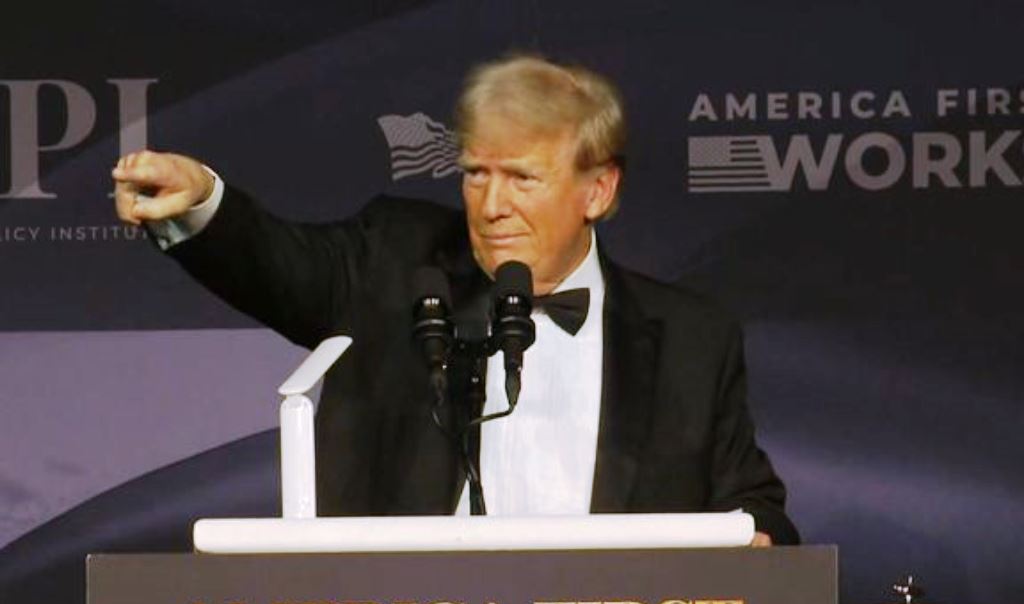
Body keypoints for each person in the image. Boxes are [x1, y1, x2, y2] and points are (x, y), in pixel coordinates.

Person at [112, 54, 798, 545]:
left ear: (598, 190)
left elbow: (753, 508)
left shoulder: (690, 340)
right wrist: (202, 204)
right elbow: (278, 263)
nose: (491, 205)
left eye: (522, 178)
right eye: (475, 174)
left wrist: (752, 543)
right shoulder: (396, 266)